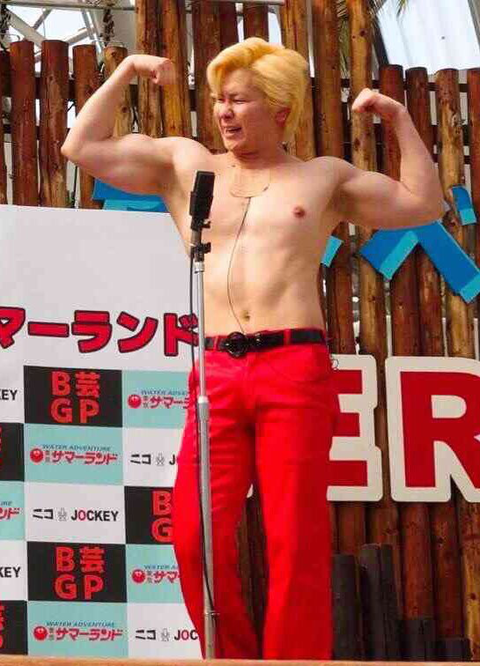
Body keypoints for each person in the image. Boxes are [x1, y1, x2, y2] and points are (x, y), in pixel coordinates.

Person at [61, 37, 444, 660]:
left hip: (294, 365)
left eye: (239, 99)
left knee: (295, 537)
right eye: (219, 99)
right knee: (193, 534)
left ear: (280, 110)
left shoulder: (322, 177)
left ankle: (294, 660)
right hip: (216, 367)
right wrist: (127, 69)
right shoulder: (187, 164)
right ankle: (231, 657)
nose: (224, 111)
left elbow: (423, 202)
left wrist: (399, 118)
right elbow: (80, 146)